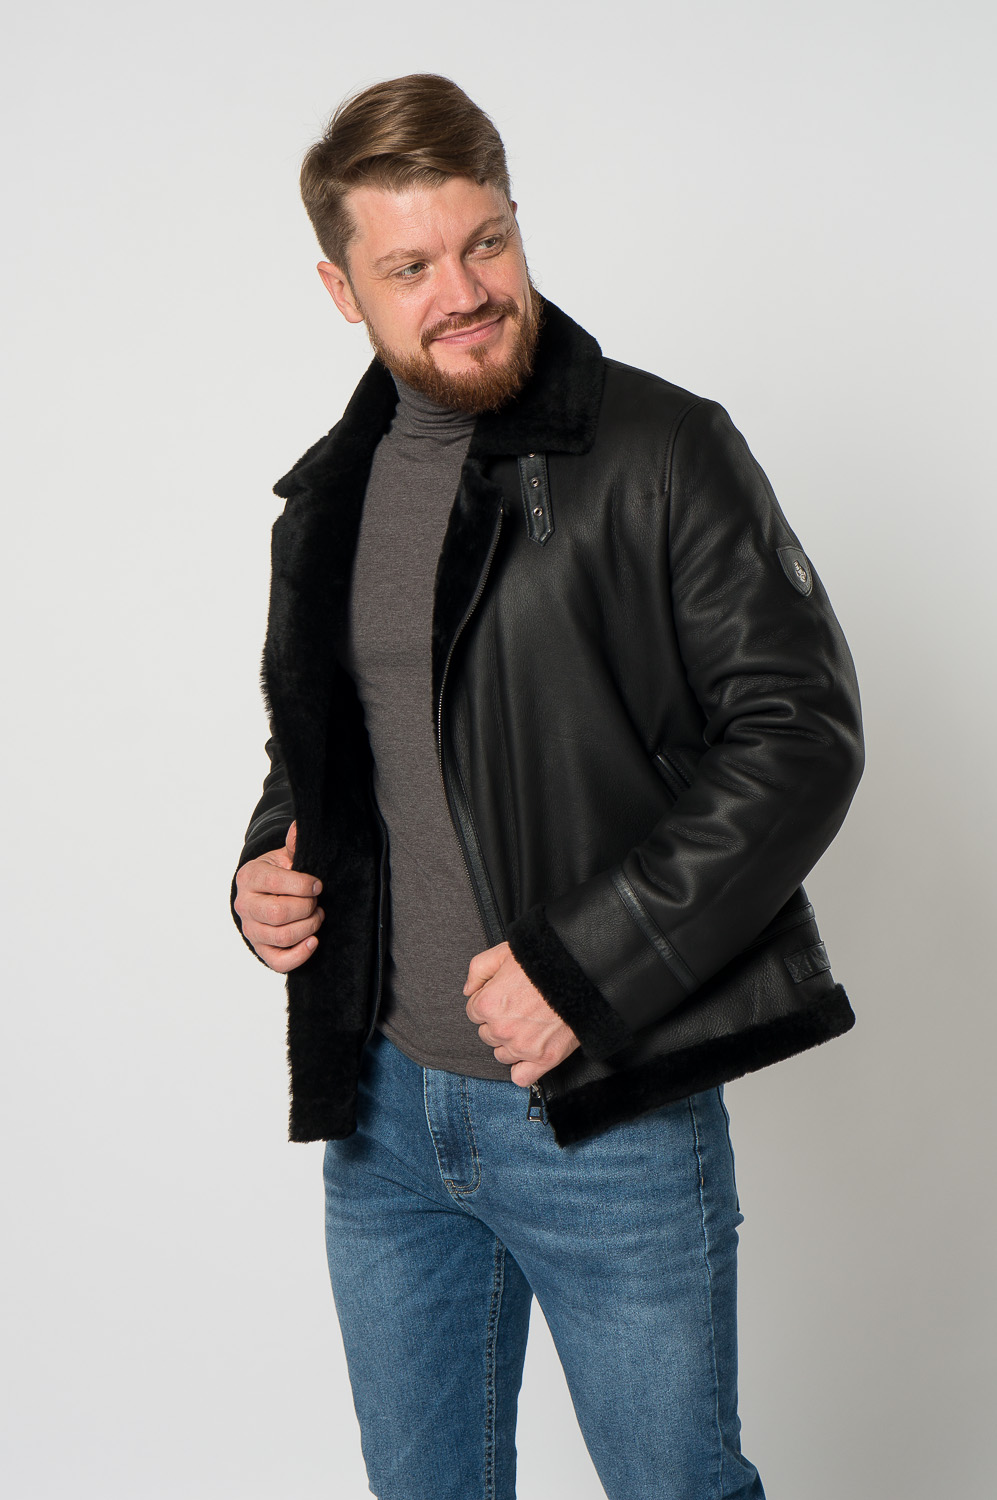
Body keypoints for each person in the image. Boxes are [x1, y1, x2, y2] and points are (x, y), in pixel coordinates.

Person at [232, 73, 863, 1500]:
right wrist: (267, 864)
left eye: (487, 243)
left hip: (607, 1109)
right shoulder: (328, 500)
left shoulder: (664, 447)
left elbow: (802, 737)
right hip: (383, 1119)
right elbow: (330, 749)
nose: (464, 292)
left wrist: (585, 967)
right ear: (341, 290)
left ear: (518, 224)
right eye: (410, 267)